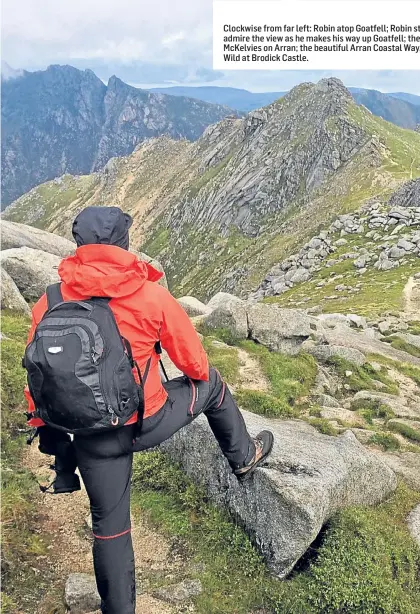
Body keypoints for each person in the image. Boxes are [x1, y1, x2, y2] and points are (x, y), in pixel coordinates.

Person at [24, 206, 274, 614]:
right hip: (146, 422)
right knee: (211, 383)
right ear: (123, 244)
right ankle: (245, 456)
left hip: (88, 435)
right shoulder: (150, 295)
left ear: (80, 245)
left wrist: (48, 427)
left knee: (110, 529)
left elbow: (37, 377)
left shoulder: (50, 300)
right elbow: (194, 364)